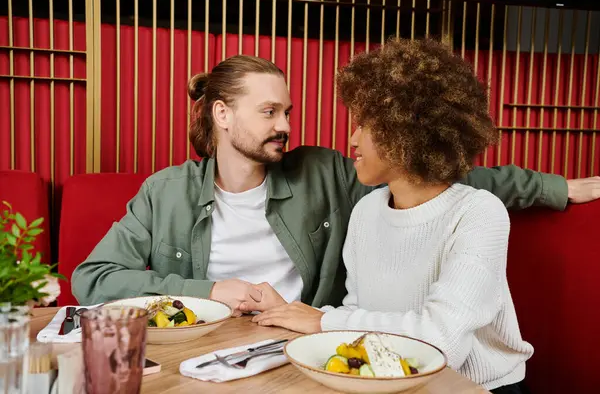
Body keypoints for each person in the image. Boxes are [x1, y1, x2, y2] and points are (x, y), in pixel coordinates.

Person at [71, 53, 600, 318]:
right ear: (222, 115)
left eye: (287, 112)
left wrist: (557, 189)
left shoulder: (323, 172)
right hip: (202, 354)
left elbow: (432, 173)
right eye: (269, 112)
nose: (285, 125)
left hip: (302, 348)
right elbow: (92, 279)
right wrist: (207, 291)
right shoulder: (165, 191)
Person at [248, 38, 534, 393]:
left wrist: (324, 321)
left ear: (406, 132)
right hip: (389, 379)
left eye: (365, 125)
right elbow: (358, 310)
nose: (352, 139)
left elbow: (441, 342)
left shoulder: (478, 213)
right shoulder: (367, 210)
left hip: (474, 386)